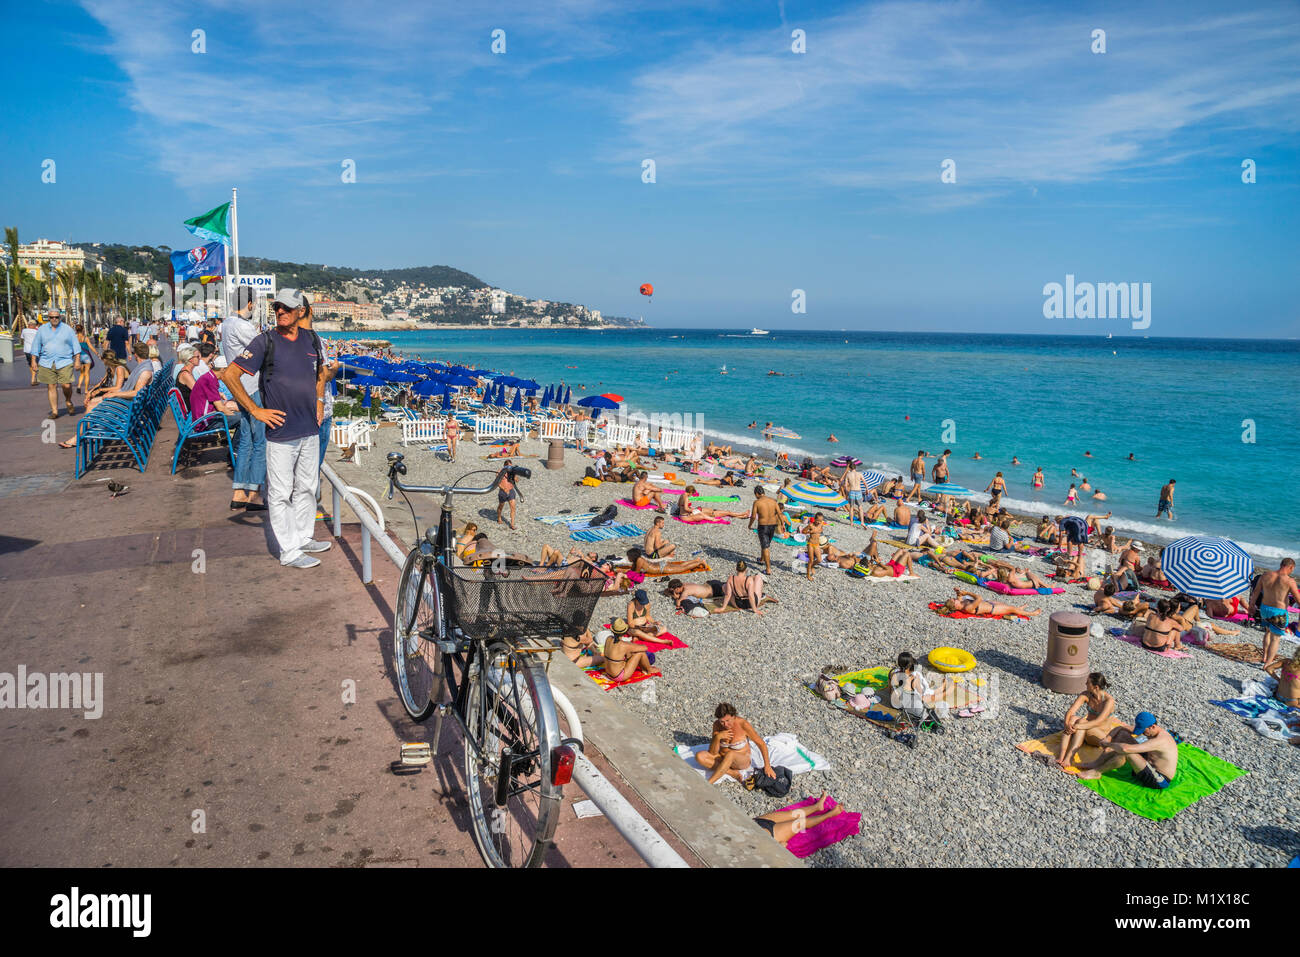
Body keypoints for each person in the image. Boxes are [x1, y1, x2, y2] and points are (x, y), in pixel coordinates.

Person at [224, 288, 333, 569]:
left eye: (286, 308)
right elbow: (230, 374)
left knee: (307, 487)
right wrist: (254, 409)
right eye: (277, 308)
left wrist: (319, 400)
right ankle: (289, 551)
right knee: (281, 492)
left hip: (309, 427)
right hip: (281, 432)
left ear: (301, 311)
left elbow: (320, 373)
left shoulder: (311, 339)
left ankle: (303, 536)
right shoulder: (265, 342)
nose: (280, 312)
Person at [221, 287, 267, 511]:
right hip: (252, 386)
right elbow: (265, 348)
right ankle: (254, 495)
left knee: (247, 440)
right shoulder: (242, 325)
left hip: (240, 388)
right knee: (261, 441)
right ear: (249, 304)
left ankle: (239, 491)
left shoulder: (227, 324)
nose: (255, 307)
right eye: (254, 303)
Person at [1076, 712, 1178, 788]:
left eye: (1144, 731)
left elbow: (1125, 748)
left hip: (1158, 779)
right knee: (1123, 735)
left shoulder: (1161, 740)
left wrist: (1109, 744)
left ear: (1153, 726)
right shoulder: (1151, 730)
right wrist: (1107, 738)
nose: (1142, 733)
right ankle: (1096, 763)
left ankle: (1096, 772)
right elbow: (1120, 728)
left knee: (1126, 752)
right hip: (1147, 763)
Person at [695, 702, 774, 786]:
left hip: (741, 760)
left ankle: (708, 784)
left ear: (734, 716)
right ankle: (732, 773)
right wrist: (717, 737)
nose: (725, 724)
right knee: (700, 756)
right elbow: (712, 753)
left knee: (731, 754)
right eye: (722, 722)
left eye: (728, 720)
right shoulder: (717, 725)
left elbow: (761, 743)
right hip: (722, 758)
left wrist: (767, 766)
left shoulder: (743, 724)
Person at [1054, 673, 1115, 768]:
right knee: (1072, 719)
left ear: (1096, 687)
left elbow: (1098, 721)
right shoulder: (1086, 695)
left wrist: (1078, 726)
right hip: (1084, 730)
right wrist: (1067, 724)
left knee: (1081, 722)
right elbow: (1070, 711)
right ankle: (1062, 755)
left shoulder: (1108, 701)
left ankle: (1070, 757)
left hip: (1099, 736)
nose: (1085, 683)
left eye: (1088, 683)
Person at [30, 310, 82, 420]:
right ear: (48, 318)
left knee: (66, 385)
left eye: (56, 317)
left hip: (65, 361)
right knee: (51, 386)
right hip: (46, 362)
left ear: (60, 317)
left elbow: (76, 346)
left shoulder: (67, 329)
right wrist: (34, 361)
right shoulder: (42, 330)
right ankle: (55, 411)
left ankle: (68, 400)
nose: (54, 319)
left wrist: (77, 360)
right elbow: (36, 346)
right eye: (52, 317)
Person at [1251, 558, 1300, 667]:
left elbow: (1255, 591)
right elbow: (1298, 600)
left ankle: (1264, 657)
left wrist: (1251, 605)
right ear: (1291, 567)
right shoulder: (1289, 581)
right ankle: (1268, 663)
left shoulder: (1266, 575)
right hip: (1279, 613)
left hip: (1264, 609)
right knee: (1275, 638)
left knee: (1268, 632)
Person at [752, 791, 846, 845]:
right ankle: (829, 815)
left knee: (792, 814)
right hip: (770, 837)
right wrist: (778, 848)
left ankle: (817, 807)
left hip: (756, 824)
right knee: (800, 823)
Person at [888, 650, 952, 709]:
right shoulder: (913, 678)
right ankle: (946, 692)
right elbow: (921, 692)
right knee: (926, 697)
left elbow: (890, 689)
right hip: (904, 705)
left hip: (894, 703)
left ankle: (942, 688)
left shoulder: (893, 673)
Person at [747, 486, 789, 575]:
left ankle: (768, 569)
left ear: (756, 494)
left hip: (763, 526)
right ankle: (762, 559)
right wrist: (782, 524)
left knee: (765, 547)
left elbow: (753, 516)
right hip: (772, 526)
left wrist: (750, 525)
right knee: (765, 544)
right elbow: (779, 513)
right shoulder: (773, 501)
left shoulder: (757, 502)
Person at [600, 619, 656, 684]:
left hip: (608, 672)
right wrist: (633, 645)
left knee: (628, 654)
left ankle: (645, 669)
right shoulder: (624, 645)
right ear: (624, 632)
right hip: (618, 676)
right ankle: (649, 669)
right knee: (640, 653)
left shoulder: (608, 638)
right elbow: (645, 648)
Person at [940, 586, 1042, 618]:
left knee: (1010, 607)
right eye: (953, 600)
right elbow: (979, 598)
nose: (954, 598)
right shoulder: (967, 608)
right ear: (955, 605)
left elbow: (959, 597)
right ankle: (1031, 613)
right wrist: (967, 592)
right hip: (992, 609)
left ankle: (1019, 609)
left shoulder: (961, 603)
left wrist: (958, 592)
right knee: (1011, 609)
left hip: (989, 603)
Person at [495, 459, 519, 529]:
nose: (510, 468)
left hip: (511, 491)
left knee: (513, 507)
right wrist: (504, 488)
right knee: (501, 506)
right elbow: (497, 483)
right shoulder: (500, 472)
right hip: (503, 492)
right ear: (504, 466)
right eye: (508, 466)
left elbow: (517, 480)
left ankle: (512, 524)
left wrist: (515, 477)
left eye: (511, 466)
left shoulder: (512, 472)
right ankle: (499, 517)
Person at [75, 327, 96, 395]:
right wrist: (97, 354)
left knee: (81, 373)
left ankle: (79, 386)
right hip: (86, 357)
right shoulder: (85, 338)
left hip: (79, 357)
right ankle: (86, 390)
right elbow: (91, 347)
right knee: (87, 374)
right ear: (82, 330)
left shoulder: (75, 338)